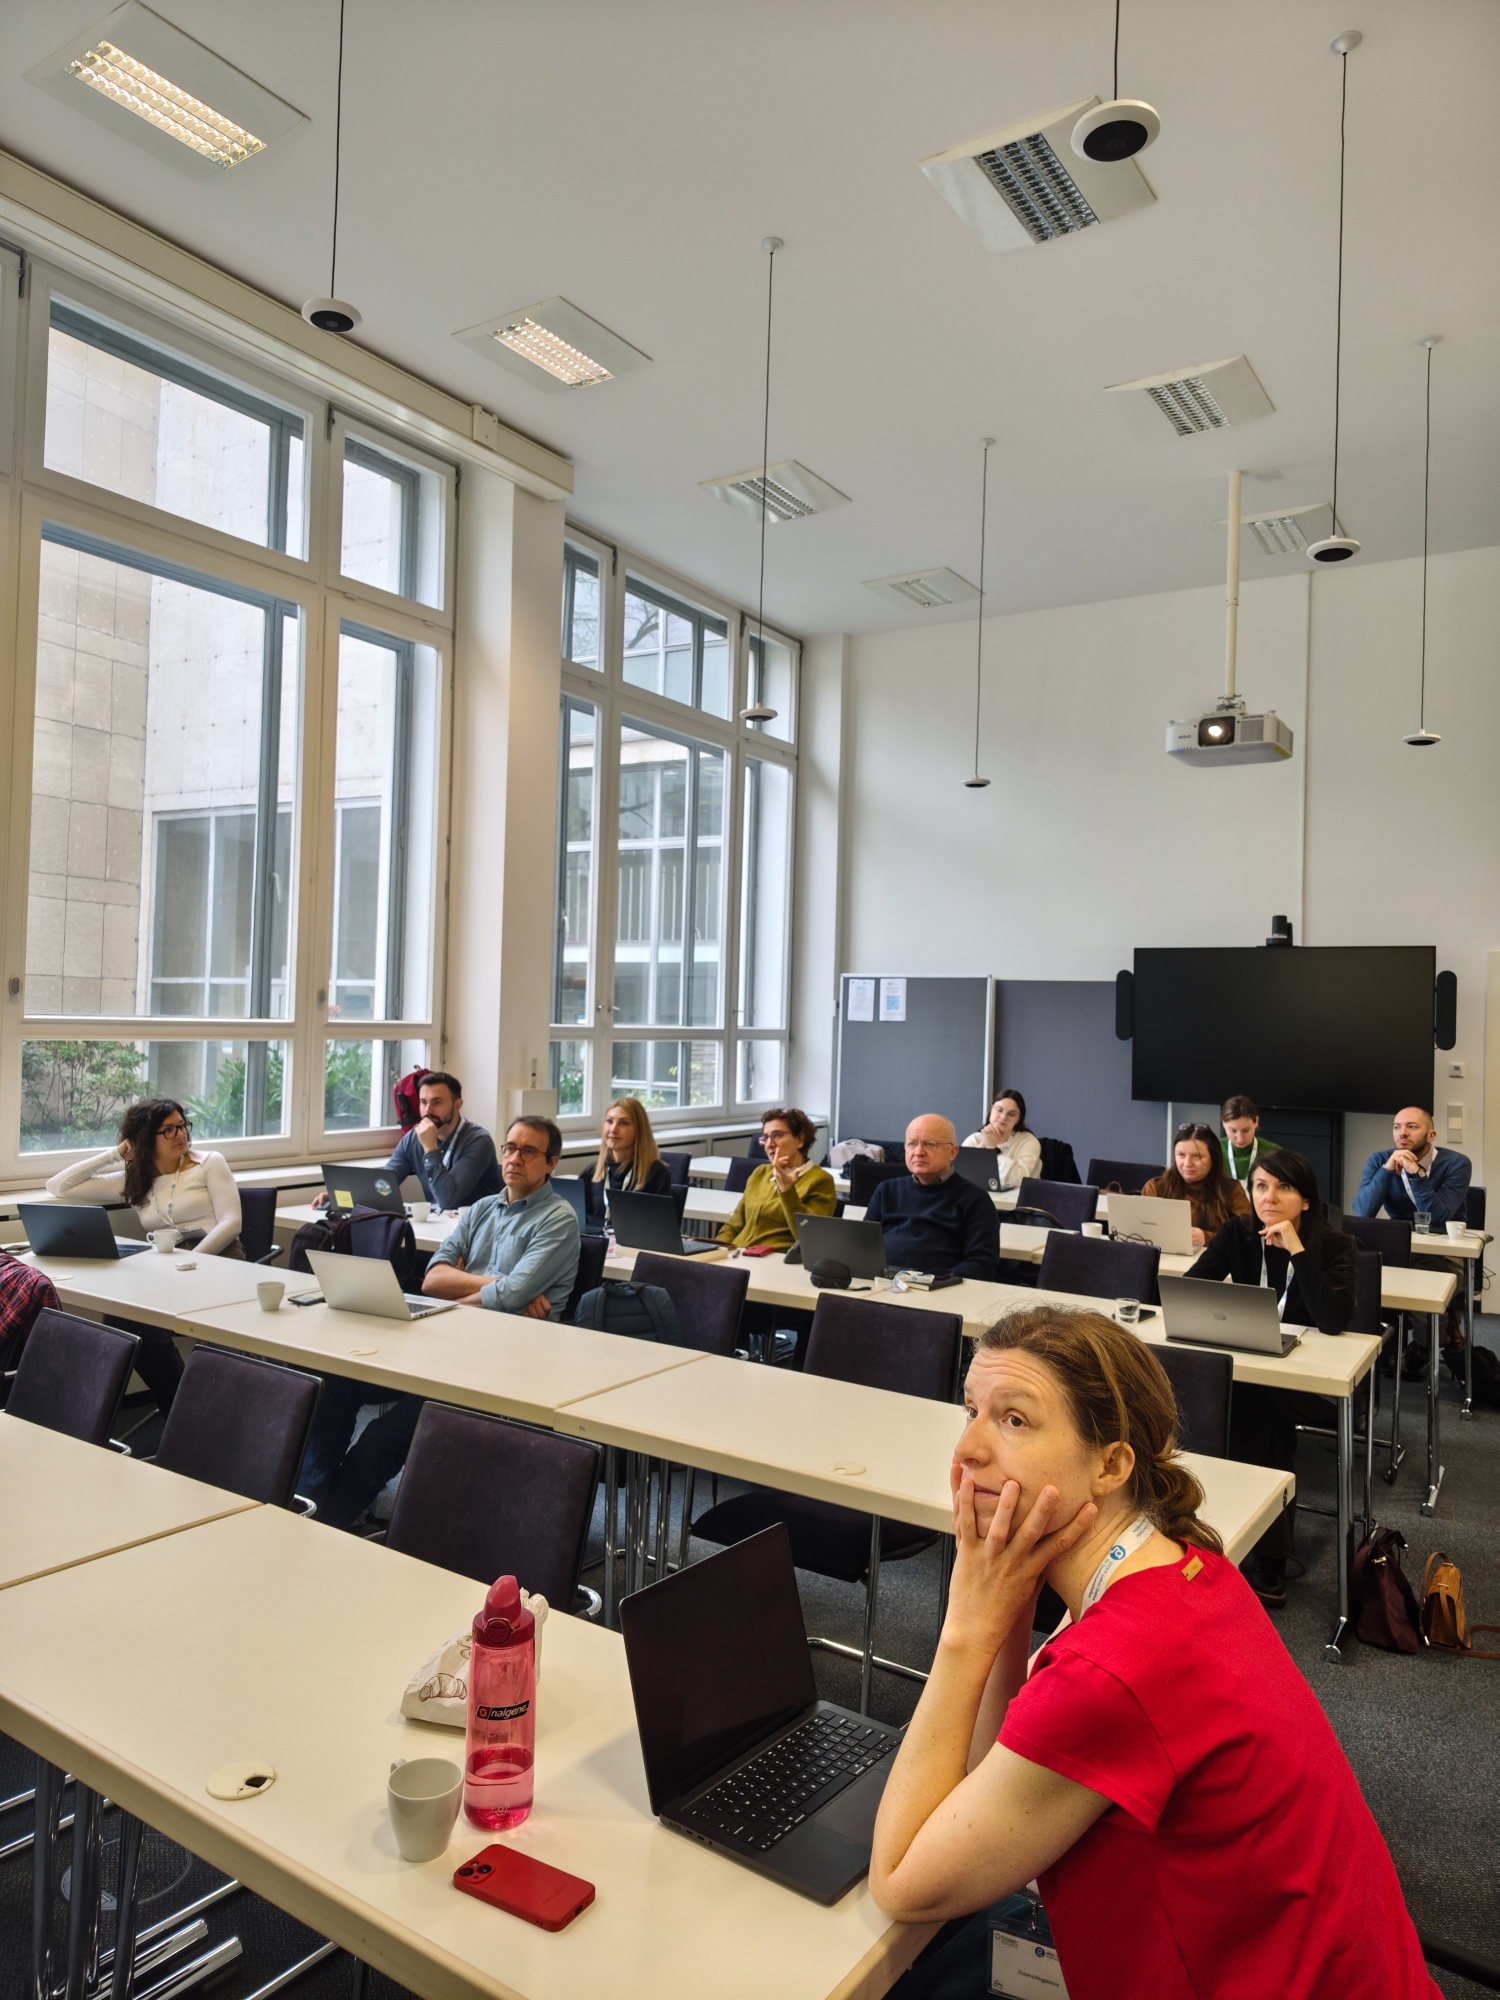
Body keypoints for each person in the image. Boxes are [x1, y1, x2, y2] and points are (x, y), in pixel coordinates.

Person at [869, 1305, 1438, 2000]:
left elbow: (901, 1882)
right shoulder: (1185, 1566)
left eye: (1014, 1420)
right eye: (971, 1411)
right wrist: (1006, 1604)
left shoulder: (1110, 1669)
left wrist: (966, 1629)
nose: (967, 1450)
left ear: (1110, 1464)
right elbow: (993, 1777)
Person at [301, 1117, 580, 1530]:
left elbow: (508, 1293)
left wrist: (475, 1292)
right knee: (335, 1383)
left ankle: (323, 1524)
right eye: (509, 1148)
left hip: (503, 1361)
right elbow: (434, 1280)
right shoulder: (481, 1209)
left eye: (528, 1151)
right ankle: (309, 1502)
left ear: (551, 1163)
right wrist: (501, 1287)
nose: (514, 1158)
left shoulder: (558, 1219)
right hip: (445, 1344)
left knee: (382, 1437)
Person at [1187, 1150, 1357, 1605]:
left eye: (1284, 1188)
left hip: (1312, 1382)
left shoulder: (1335, 1245)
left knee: (1256, 1409)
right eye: (1261, 1186)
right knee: (1220, 1397)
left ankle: (1265, 1555)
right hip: (1251, 1370)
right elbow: (1190, 1288)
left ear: (1307, 1200)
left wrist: (1297, 1250)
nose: (1269, 1197)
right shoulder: (1239, 1233)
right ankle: (1242, 1545)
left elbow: (1334, 1320)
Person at [46, 1099, 245, 1413]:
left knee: (139, 1320)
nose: (181, 1134)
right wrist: (115, 1154)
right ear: (144, 1138)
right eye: (169, 1130)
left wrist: (190, 1260)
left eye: (182, 1125)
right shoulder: (135, 1179)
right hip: (167, 1267)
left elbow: (231, 1222)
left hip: (218, 1259)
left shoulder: (209, 1162)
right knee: (122, 1318)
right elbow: (59, 1186)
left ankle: (188, 1412)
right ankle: (183, 1408)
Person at [1354, 1106, 1472, 1372]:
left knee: (1421, 1282)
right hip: (1400, 1249)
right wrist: (1386, 1170)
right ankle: (1413, 1341)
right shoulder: (1379, 1159)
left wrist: (1415, 1173)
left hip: (1444, 1252)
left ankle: (1424, 1346)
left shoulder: (1457, 1163)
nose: (1402, 1133)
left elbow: (1438, 1215)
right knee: (1366, 1275)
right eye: (1397, 1127)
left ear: (1431, 1135)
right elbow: (1362, 1211)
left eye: (1412, 1127)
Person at [865, 1115, 1000, 1281]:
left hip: (940, 1287)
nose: (918, 1152)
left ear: (952, 1152)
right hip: (882, 1283)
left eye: (929, 1144)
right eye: (912, 1144)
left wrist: (935, 1282)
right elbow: (863, 1246)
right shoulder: (886, 1190)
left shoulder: (975, 1200)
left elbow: (982, 1263)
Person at [717, 1107, 836, 1252]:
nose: (769, 1144)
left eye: (777, 1135)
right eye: (765, 1138)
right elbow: (733, 1225)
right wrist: (715, 1249)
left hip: (774, 1259)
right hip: (738, 1255)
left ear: (800, 1140)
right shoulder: (760, 1173)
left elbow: (810, 1238)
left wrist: (787, 1191)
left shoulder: (820, 1181)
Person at [379, 1071, 500, 1211]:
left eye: (437, 1102)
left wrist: (430, 1148)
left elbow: (448, 1202)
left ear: (457, 1105)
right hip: (436, 1221)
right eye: (423, 1102)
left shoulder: (479, 1141)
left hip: (476, 1221)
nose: (428, 1110)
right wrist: (376, 1194)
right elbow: (385, 1184)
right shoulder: (413, 1138)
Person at [1141, 1121, 1250, 1248]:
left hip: (1212, 1258)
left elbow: (1246, 1236)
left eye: (1197, 1156)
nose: (1187, 1163)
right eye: (1181, 1155)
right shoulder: (1156, 1188)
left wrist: (1208, 1238)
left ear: (1213, 1158)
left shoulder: (1231, 1191)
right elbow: (1140, 1232)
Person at [577, 1096, 671, 1225]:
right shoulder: (589, 1174)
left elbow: (659, 1229)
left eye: (624, 1123)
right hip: (594, 1239)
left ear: (639, 1130)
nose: (613, 1129)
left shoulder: (655, 1174)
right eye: (609, 1121)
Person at [959, 1090, 1042, 1192]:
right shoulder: (975, 1139)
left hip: (1018, 1199)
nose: (1003, 1117)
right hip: (979, 1197)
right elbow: (961, 1174)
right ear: (991, 1109)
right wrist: (983, 1145)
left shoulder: (1028, 1141)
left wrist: (993, 1149)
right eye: (999, 1110)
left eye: (1011, 1114)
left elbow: (1019, 1179)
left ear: (1018, 1119)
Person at [1219, 1094, 1278, 1189]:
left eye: (1246, 1130)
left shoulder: (1274, 1152)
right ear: (1223, 1124)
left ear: (1256, 1122)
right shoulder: (1213, 1149)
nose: (1240, 1139)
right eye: (1233, 1131)